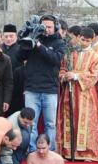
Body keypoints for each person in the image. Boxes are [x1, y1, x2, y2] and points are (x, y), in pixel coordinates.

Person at [59, 27, 98, 161]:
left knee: (86, 121)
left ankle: (88, 153)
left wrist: (77, 76)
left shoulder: (95, 56)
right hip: (70, 91)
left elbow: (95, 75)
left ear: (92, 40)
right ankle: (68, 151)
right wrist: (64, 76)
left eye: (87, 41)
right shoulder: (71, 53)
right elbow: (62, 69)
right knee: (69, 118)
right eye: (82, 40)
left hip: (86, 93)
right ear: (79, 38)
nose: (84, 42)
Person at [21, 15, 65, 146]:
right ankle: (32, 150)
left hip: (50, 89)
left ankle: (49, 151)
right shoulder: (33, 39)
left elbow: (55, 59)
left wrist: (39, 46)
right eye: (43, 26)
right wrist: (26, 39)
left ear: (56, 28)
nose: (46, 29)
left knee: (50, 124)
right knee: (30, 123)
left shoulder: (59, 42)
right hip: (31, 89)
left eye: (49, 27)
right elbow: (19, 57)